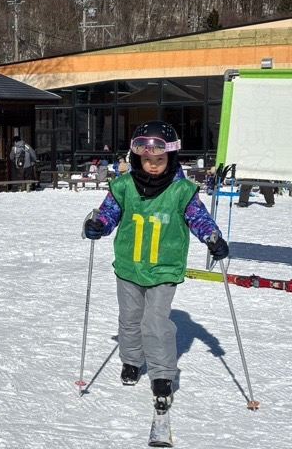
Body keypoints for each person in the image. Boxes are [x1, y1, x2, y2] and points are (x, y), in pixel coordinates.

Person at [82, 121, 229, 415]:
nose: (152, 165)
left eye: (159, 160)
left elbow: (198, 218)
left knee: (156, 322)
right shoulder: (123, 186)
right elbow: (109, 213)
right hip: (129, 266)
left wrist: (212, 237)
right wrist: (98, 224)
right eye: (146, 160)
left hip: (164, 268)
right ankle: (132, 361)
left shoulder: (181, 191)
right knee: (130, 319)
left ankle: (162, 374)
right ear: (137, 158)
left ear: (171, 159)